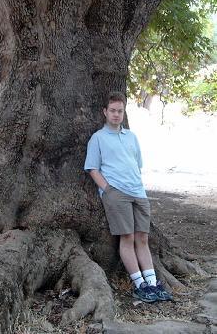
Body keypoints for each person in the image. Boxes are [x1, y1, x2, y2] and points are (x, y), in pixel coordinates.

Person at [84, 91, 173, 303]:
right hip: (116, 194)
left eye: (120, 111)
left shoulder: (131, 137)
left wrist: (138, 187)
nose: (116, 115)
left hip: (138, 193)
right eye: (112, 111)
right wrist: (109, 189)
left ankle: (152, 283)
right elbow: (92, 168)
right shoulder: (98, 138)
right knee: (128, 238)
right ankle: (140, 284)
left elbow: (137, 165)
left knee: (142, 238)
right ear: (105, 112)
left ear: (124, 113)